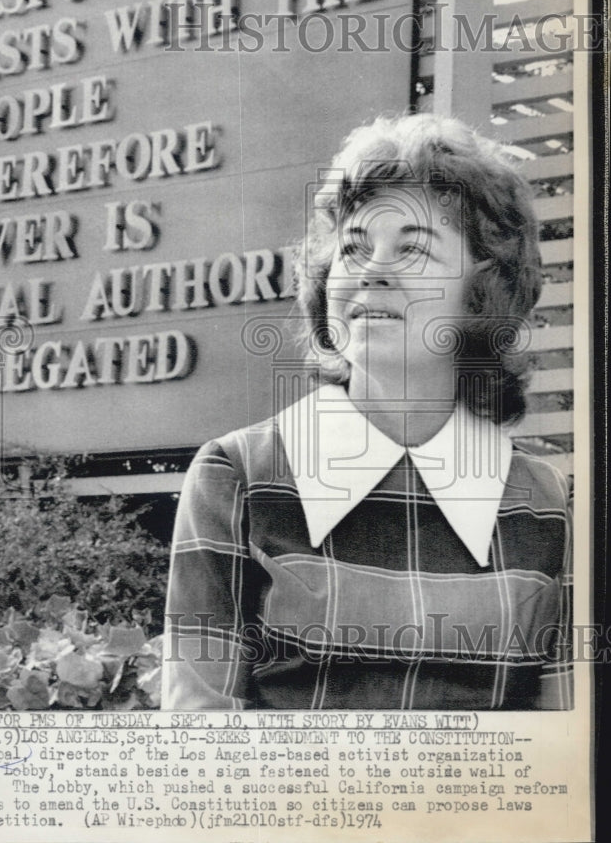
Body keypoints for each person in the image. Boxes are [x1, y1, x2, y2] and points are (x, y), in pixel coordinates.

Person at [161, 113, 572, 710]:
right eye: (353, 247)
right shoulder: (237, 476)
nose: (372, 270)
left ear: (485, 290)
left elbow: (566, 753)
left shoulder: (552, 504)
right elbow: (199, 738)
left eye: (414, 250)